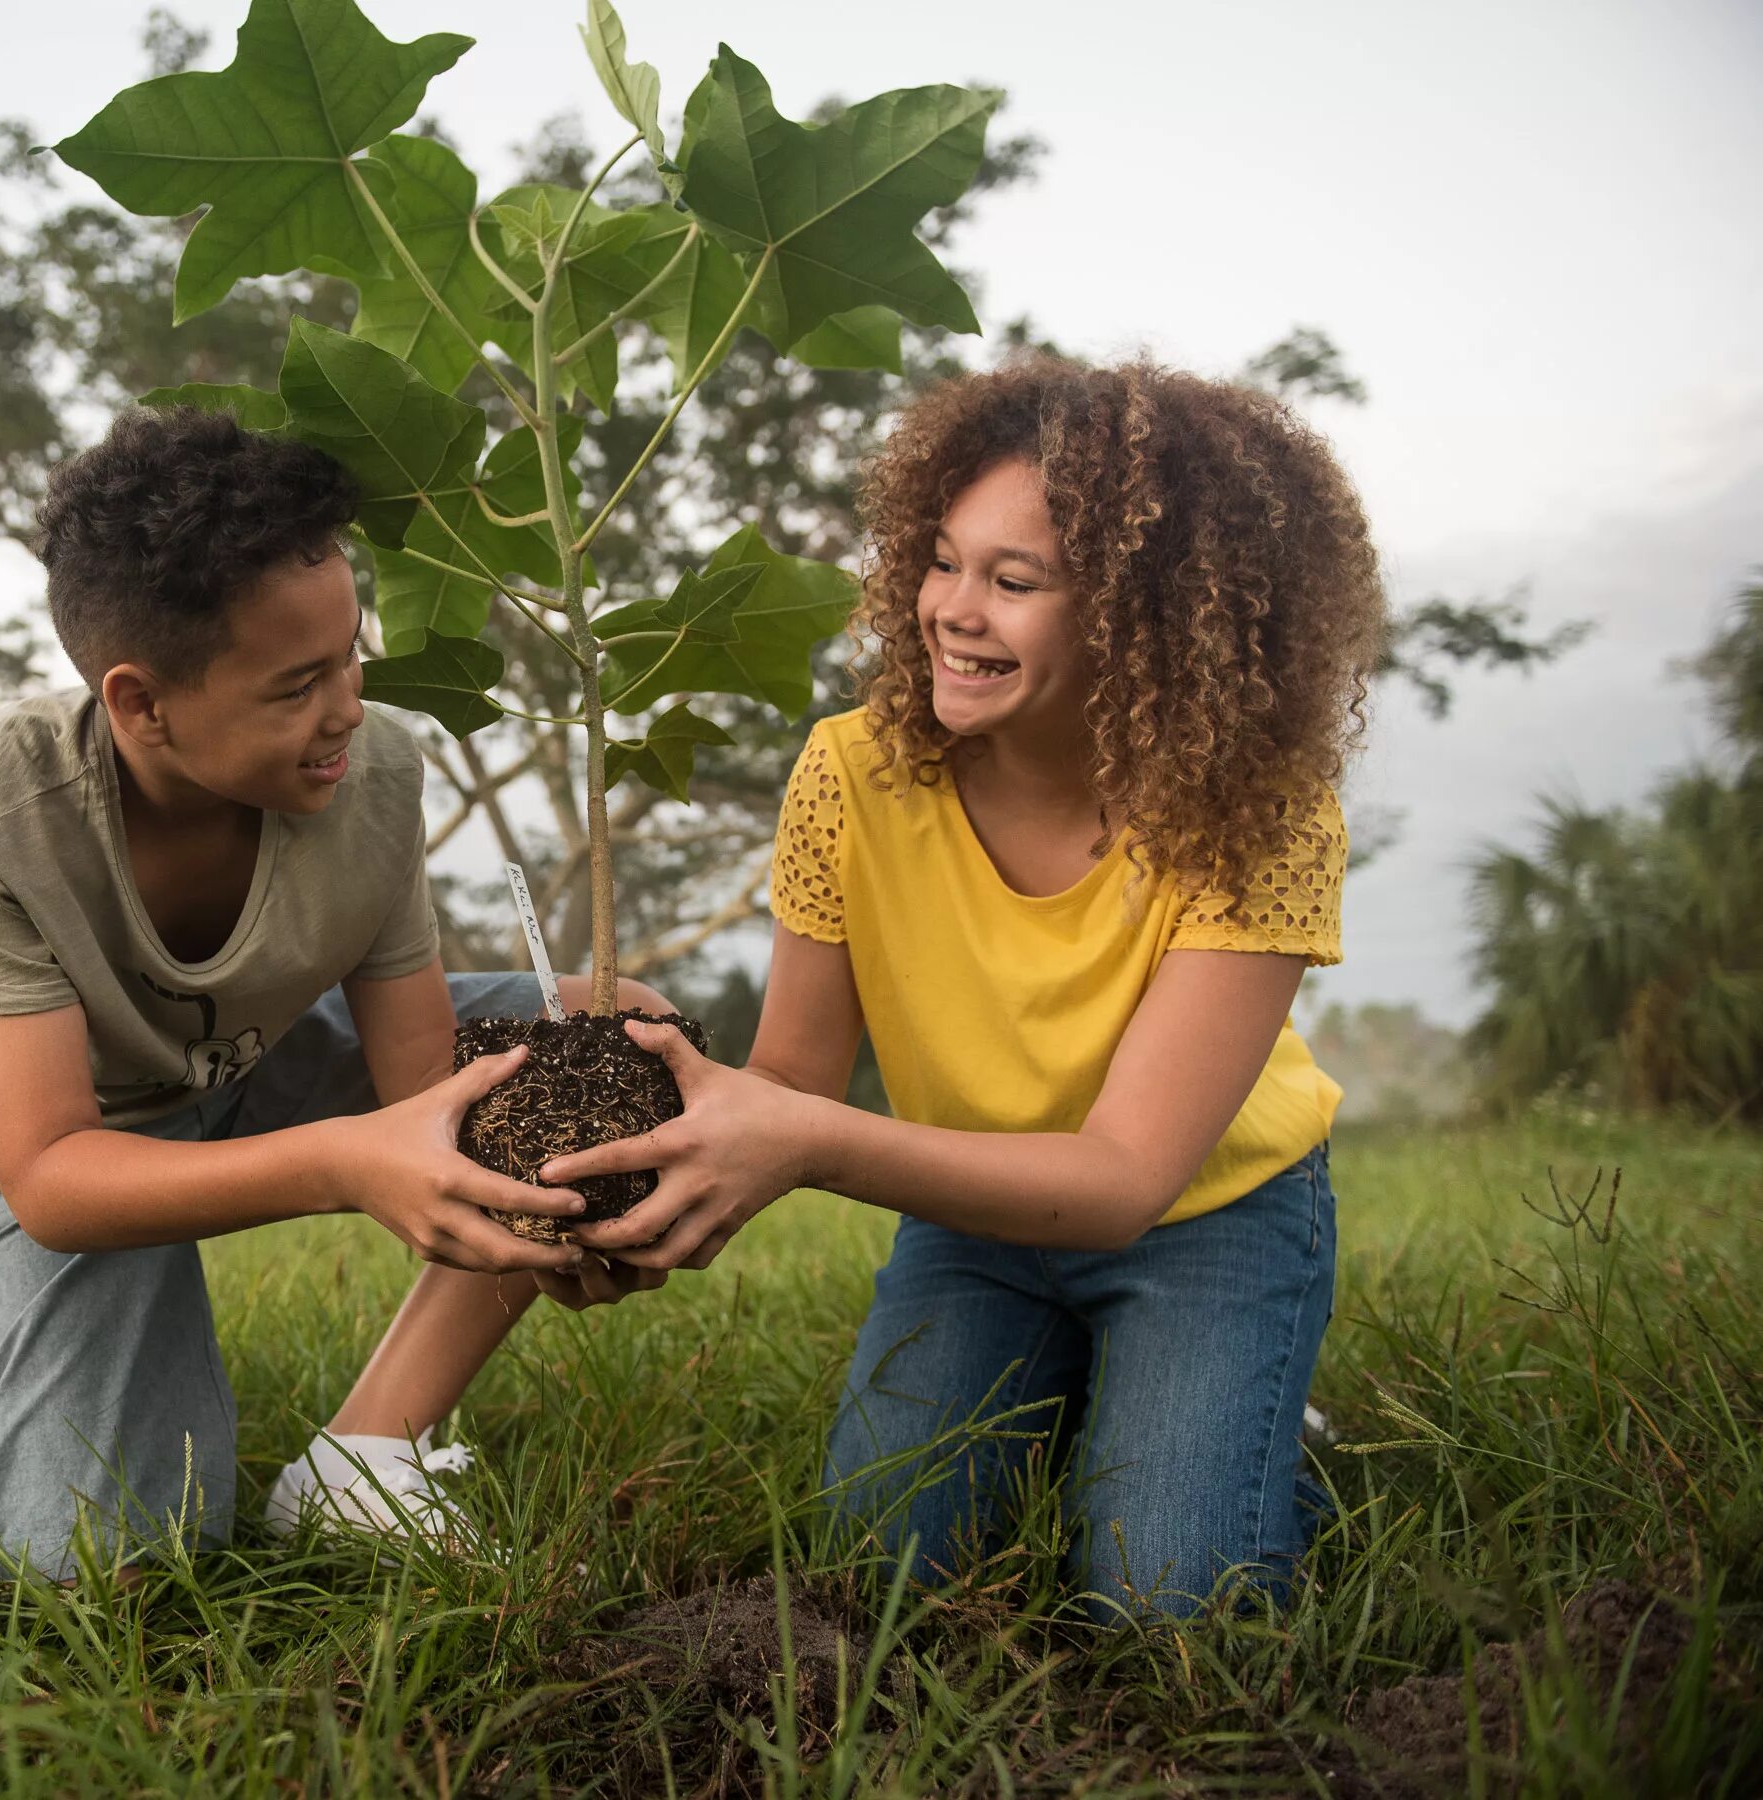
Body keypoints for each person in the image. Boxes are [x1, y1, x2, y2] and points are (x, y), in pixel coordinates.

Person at [544, 358, 1386, 1617]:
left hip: (1204, 1221)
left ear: (1144, 616)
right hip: (971, 1224)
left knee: (1167, 1605)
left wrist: (799, 1139)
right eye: (941, 562)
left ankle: (1260, 1433)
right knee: (884, 1577)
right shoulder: (849, 775)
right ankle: (1113, 1411)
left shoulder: (1257, 816)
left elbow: (1119, 1183)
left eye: (1013, 581)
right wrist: (671, 1128)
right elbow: (788, 1084)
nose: (949, 610)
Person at [0, 407, 664, 1581]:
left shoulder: (370, 773)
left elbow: (423, 1081)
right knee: (101, 1564)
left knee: (602, 1040)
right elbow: (54, 1177)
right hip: (82, 1132)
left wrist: (530, 1203)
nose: (349, 706)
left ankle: (364, 1462)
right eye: (295, 684)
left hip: (273, 1053)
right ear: (139, 703)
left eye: (350, 654)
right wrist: (346, 1163)